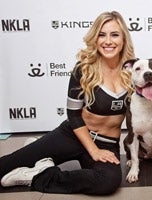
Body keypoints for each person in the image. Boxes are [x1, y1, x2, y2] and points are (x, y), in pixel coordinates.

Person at [0, 11, 135, 195]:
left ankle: (36, 175)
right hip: (72, 135)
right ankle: (38, 152)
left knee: (107, 182)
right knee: (4, 165)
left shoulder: (134, 71)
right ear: (95, 38)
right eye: (102, 35)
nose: (108, 41)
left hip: (107, 143)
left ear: (123, 39)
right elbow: (73, 115)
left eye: (114, 34)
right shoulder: (84, 69)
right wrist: (93, 150)